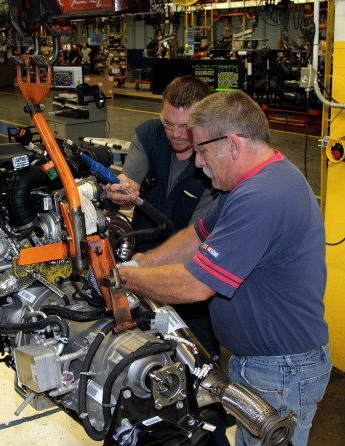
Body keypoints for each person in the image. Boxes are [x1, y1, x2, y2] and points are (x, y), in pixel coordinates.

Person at [118, 90, 331, 446]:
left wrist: (125, 278)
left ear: (232, 144)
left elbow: (196, 284)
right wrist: (142, 262)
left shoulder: (264, 195)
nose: (198, 162)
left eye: (201, 150)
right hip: (262, 362)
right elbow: (196, 236)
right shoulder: (244, 183)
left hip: (282, 369)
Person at [106, 75, 219, 359]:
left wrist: (141, 273)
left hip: (187, 277)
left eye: (185, 126)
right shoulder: (149, 134)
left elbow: (196, 240)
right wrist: (119, 190)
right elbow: (129, 178)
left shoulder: (215, 160)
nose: (176, 133)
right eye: (168, 123)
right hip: (141, 261)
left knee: (196, 355)